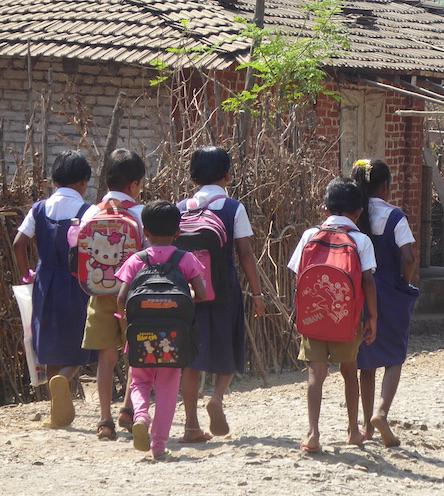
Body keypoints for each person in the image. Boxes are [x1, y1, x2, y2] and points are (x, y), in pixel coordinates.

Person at [177, 146, 266, 443]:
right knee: (228, 346)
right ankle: (216, 396)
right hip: (224, 289)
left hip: (188, 291)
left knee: (190, 357)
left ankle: (191, 425)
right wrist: (257, 293)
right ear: (227, 175)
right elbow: (246, 254)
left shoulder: (181, 208)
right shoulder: (233, 208)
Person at [288, 177, 377, 452]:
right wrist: (372, 318)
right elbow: (368, 283)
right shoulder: (361, 240)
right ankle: (353, 430)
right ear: (359, 212)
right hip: (347, 320)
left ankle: (313, 433)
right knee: (350, 373)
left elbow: (297, 276)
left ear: (325, 208)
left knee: (316, 374)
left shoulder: (309, 236)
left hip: (314, 318)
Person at [116, 200, 206, 459]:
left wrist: (127, 327)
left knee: (140, 381)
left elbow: (121, 299)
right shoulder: (185, 259)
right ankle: (158, 446)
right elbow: (201, 293)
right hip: (174, 339)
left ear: (146, 232)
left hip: (140, 335)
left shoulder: (136, 260)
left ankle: (141, 416)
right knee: (167, 387)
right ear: (178, 232)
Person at [13, 150, 96, 427]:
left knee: (48, 344)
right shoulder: (87, 211)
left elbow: (18, 244)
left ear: (54, 180)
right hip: (78, 284)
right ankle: (67, 377)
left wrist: (27, 273)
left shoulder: (39, 209)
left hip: (45, 282)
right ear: (84, 182)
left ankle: (55, 409)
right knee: (82, 343)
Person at [352, 159, 418, 447]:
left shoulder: (354, 215)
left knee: (365, 362)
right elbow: (408, 258)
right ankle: (381, 412)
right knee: (394, 357)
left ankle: (366, 427)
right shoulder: (395, 217)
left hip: (362, 294)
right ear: (386, 187)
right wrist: (405, 281)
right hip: (391, 293)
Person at [81, 149, 145, 440]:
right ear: (134, 185)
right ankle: (128, 410)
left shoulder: (91, 212)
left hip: (99, 292)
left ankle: (105, 421)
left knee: (105, 358)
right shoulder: (141, 214)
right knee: (135, 355)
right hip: (133, 293)